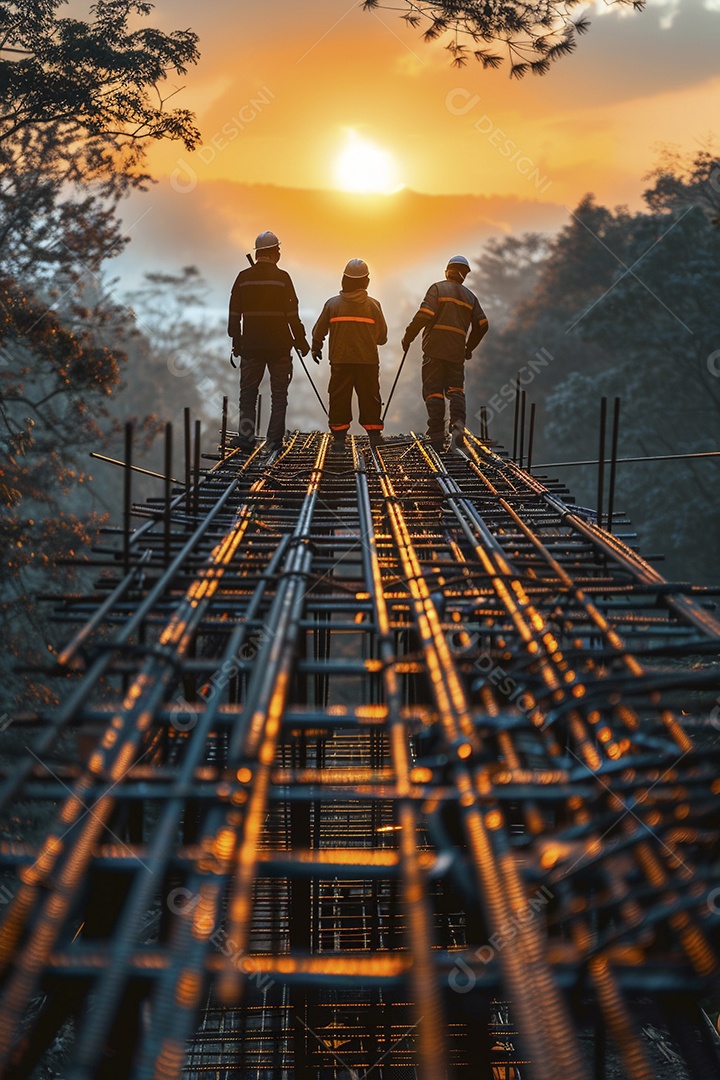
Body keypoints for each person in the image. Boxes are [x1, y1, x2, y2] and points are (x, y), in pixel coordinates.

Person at [227, 230, 310, 451]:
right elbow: (293, 315)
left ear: (257, 254)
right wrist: (301, 342)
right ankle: (274, 440)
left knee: (248, 395)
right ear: (274, 253)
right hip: (279, 347)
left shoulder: (243, 278)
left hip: (251, 347)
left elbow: (234, 314)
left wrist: (236, 341)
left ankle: (246, 437)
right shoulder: (283, 279)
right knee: (279, 396)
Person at [402, 255, 488, 451]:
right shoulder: (470, 297)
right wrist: (469, 347)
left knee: (433, 391)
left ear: (447, 270)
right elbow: (483, 324)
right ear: (464, 275)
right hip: (456, 353)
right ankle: (458, 429)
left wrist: (409, 336)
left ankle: (436, 436)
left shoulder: (437, 289)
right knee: (456, 390)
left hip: (434, 349)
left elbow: (425, 314)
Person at [311, 258, 387, 451]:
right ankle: (375, 435)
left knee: (339, 397)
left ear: (344, 279)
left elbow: (318, 331)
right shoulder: (374, 306)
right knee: (370, 397)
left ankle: (338, 439)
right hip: (368, 361)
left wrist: (316, 347)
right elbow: (382, 337)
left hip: (340, 360)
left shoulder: (332, 305)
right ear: (366, 281)